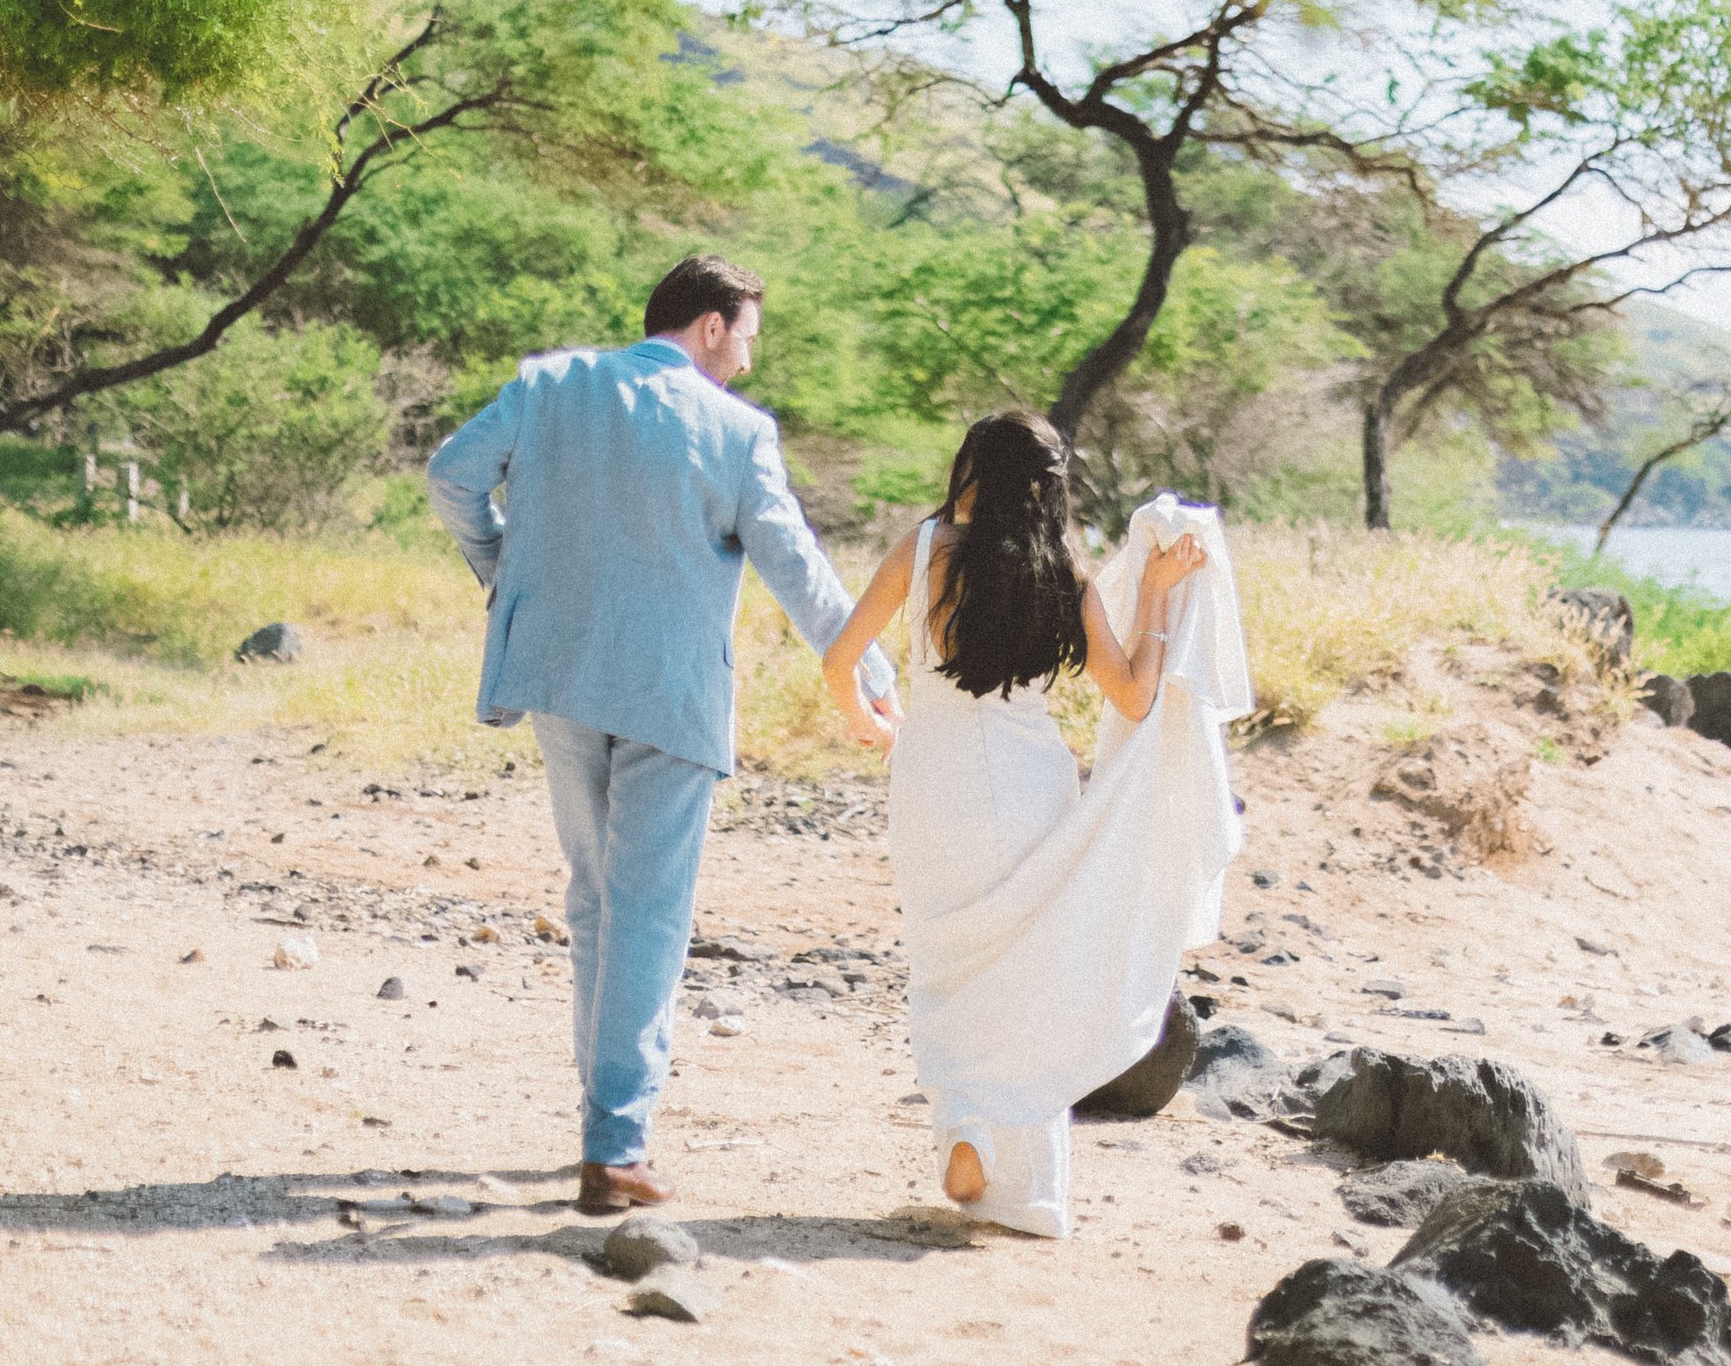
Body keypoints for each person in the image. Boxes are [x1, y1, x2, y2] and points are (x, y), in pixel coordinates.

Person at [425, 254, 898, 1216]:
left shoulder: (548, 382)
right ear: (712, 326)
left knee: (598, 898)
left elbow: (449, 478)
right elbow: (797, 568)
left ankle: (605, 1122)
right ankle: (615, 1144)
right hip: (670, 695)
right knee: (646, 910)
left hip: (557, 674)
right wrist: (871, 677)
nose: (749, 364)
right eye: (748, 339)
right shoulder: (735, 430)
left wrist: (502, 565)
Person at [823, 412, 1213, 1235]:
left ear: (970, 466)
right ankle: (1023, 1185)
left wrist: (864, 716)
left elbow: (840, 655)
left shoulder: (926, 546)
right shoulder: (1058, 568)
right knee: (1029, 966)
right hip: (1029, 779)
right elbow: (1135, 697)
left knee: (945, 954)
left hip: (932, 778)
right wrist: (1153, 592)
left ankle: (963, 1116)